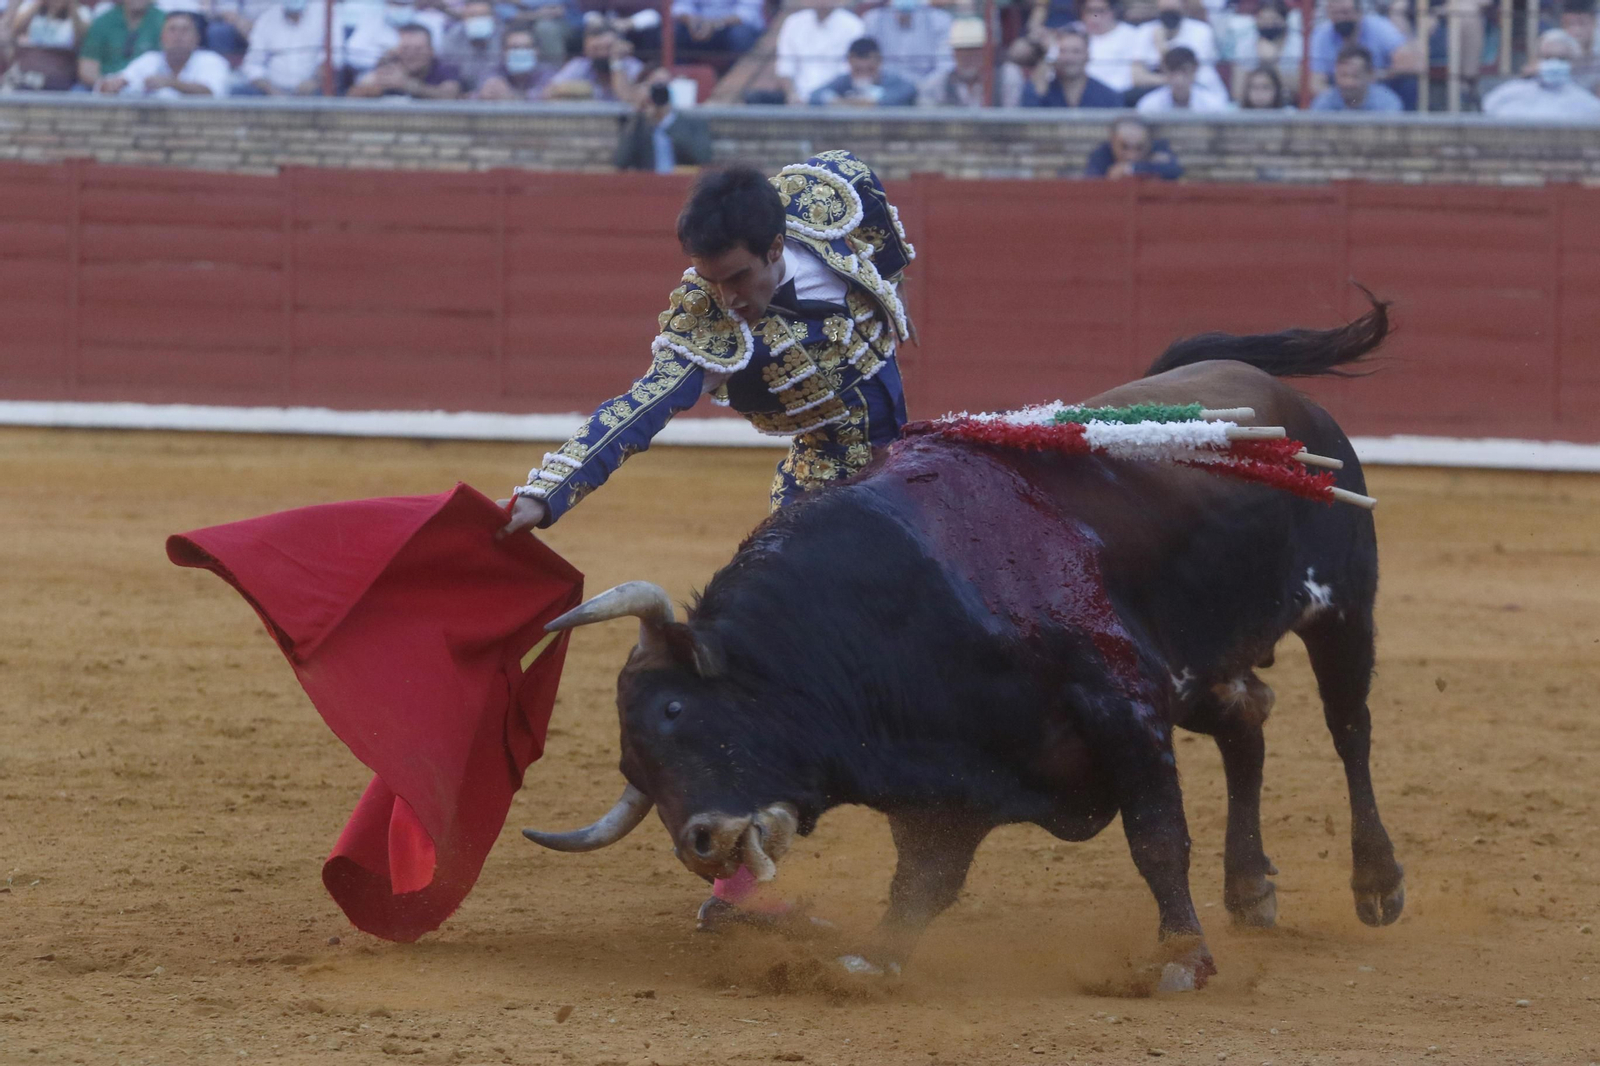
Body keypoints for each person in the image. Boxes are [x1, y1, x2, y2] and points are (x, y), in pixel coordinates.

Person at [499, 156, 917, 939]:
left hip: (915, 465)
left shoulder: (830, 199)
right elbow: (639, 407)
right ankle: (737, 880)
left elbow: (883, 238)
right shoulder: (706, 324)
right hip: (825, 491)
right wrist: (546, 492)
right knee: (771, 667)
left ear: (776, 245)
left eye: (737, 278)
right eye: (710, 280)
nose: (727, 296)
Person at [99, 9, 230, 94]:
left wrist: (171, 83)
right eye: (172, 30)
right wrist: (113, 85)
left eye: (185, 30)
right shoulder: (149, 60)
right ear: (162, 38)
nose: (178, 35)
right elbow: (118, 81)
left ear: (197, 38)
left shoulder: (212, 60)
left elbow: (211, 92)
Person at [1482, 28, 1600, 119]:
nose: (1554, 63)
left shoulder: (1588, 104)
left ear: (1574, 63)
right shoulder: (1507, 95)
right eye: (1548, 58)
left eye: (1562, 59)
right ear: (1536, 59)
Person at [615, 71, 713, 170]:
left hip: (683, 181)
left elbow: (702, 158)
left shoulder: (694, 123)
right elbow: (621, 162)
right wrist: (638, 116)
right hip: (647, 182)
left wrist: (665, 124)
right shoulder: (638, 125)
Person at [773, 0, 865, 105]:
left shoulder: (854, 25)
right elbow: (784, 68)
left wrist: (825, 99)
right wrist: (792, 95)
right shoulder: (793, 22)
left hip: (836, 101)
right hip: (798, 102)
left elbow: (849, 72)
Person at [1308, 0, 1407, 95]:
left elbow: (1406, 60)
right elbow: (1316, 80)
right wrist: (1340, 99)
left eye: (1345, 12)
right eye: (1335, 13)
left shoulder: (1379, 27)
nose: (1341, 18)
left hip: (1378, 86)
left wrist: (1374, 76)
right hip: (1339, 91)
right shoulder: (1321, 35)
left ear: (1359, 13)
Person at [861, 0, 953, 100]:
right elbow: (866, 63)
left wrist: (919, 88)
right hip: (884, 93)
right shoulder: (873, 20)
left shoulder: (941, 20)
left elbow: (945, 66)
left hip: (927, 93)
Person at [1131, 0, 1225, 94]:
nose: (1169, 17)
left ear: (1184, 7)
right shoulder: (1144, 30)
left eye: (1173, 11)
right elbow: (1137, 78)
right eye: (1165, 12)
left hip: (1198, 90)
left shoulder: (1201, 31)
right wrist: (1170, 80)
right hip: (1156, 91)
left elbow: (1192, 74)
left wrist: (1161, 46)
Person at [239, 0, 330, 95]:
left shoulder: (323, 15)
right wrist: (272, 91)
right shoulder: (266, 19)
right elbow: (253, 64)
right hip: (272, 93)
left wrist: (314, 82)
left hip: (312, 91)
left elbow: (333, 59)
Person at [348, 22, 463, 97]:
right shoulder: (389, 66)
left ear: (431, 51)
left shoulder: (444, 68)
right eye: (405, 49)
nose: (411, 54)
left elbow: (450, 95)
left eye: (418, 49)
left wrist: (407, 85)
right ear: (396, 50)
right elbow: (352, 96)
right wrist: (372, 89)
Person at [1219, 0, 1303, 101]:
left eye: (1273, 19)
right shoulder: (1245, 44)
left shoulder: (1298, 45)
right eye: (1263, 19)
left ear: (1284, 21)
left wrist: (1273, 63)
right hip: (1252, 107)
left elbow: (1301, 88)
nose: (1268, 24)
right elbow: (1237, 93)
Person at [1022, 25, 1123, 106]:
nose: (1069, 58)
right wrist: (1049, 55)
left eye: (1076, 51)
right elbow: (1031, 103)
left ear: (1087, 56)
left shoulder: (1108, 96)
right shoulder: (1043, 91)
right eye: (1063, 51)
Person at [544, 20, 642, 100]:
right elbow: (547, 93)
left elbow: (628, 98)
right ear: (586, 50)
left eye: (608, 48)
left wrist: (617, 62)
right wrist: (582, 90)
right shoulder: (579, 65)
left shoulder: (633, 66)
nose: (602, 53)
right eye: (595, 49)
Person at [809, 35, 918, 105]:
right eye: (858, 70)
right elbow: (815, 95)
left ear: (879, 61)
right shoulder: (844, 82)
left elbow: (910, 90)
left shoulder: (890, 80)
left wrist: (875, 101)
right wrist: (837, 101)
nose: (864, 74)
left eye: (870, 69)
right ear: (850, 62)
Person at [77, 0, 165, 88]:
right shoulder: (103, 22)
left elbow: (173, 68)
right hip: (107, 93)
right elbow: (87, 67)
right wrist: (105, 85)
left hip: (150, 92)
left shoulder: (165, 22)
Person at [1136, 43, 1231, 111]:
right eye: (1173, 71)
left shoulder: (1214, 105)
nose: (1179, 79)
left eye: (1184, 71)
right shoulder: (1149, 105)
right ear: (1164, 71)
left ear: (1195, 69)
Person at [1309, 42, 1403, 111]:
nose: (1348, 83)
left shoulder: (1387, 103)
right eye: (1343, 75)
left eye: (1355, 76)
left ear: (1370, 75)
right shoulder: (1323, 103)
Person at [1085, 115, 1183, 178]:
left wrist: (1130, 169)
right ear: (1112, 142)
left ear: (1149, 143)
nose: (1131, 156)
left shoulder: (1157, 147)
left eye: (1139, 148)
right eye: (1124, 147)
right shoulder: (1102, 153)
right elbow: (1092, 181)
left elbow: (1174, 170)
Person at [920, 13, 986, 106]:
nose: (967, 57)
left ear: (984, 52)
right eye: (961, 51)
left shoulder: (1002, 81)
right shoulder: (938, 85)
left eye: (973, 50)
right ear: (954, 52)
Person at [668, 0, 763, 66]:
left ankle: (739, 81)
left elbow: (748, 13)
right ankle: (680, 79)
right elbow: (681, 6)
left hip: (730, 27)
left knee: (741, 35)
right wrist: (690, 21)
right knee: (674, 33)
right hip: (699, 26)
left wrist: (715, 24)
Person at [436, 0, 503, 91]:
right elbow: (448, 69)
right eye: (473, 16)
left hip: (492, 90)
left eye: (483, 15)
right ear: (464, 18)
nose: (478, 20)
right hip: (461, 91)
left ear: (493, 18)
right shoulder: (452, 37)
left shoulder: (503, 36)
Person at [475, 23, 554, 98]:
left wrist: (511, 95)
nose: (520, 53)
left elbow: (547, 94)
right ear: (503, 51)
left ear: (537, 51)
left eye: (526, 47)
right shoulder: (493, 72)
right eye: (514, 48)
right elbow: (476, 96)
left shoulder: (547, 73)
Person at [1080, 0, 1143, 94]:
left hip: (1122, 95)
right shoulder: (1074, 33)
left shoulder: (1133, 35)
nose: (1094, 17)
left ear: (1113, 11)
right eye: (1090, 11)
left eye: (1100, 11)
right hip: (1083, 97)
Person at [1560, 0, 1598, 91]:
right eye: (1569, 24)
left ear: (1593, 23)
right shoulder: (1555, 55)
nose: (1576, 31)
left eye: (1582, 23)